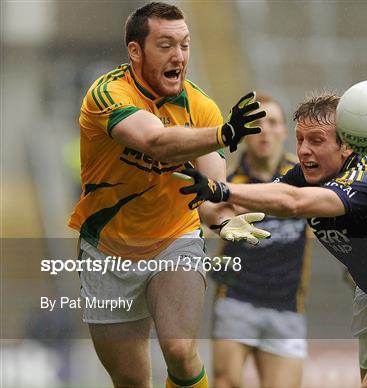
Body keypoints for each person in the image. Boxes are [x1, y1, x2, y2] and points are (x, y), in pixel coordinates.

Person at [178, 92, 367, 387]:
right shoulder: (304, 176)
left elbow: (293, 203)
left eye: (316, 141)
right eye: (300, 140)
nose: (304, 151)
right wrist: (196, 182)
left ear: (345, 145)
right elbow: (250, 202)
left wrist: (221, 189)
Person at [68, 3, 270, 388]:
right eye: (165, 45)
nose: (179, 56)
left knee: (178, 349)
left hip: (174, 240)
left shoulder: (201, 107)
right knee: (130, 379)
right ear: (135, 51)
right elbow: (154, 140)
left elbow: (210, 190)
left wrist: (222, 219)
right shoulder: (107, 94)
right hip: (106, 248)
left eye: (185, 44)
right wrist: (224, 134)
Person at [211, 92, 311, 388]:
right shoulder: (227, 183)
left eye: (273, 122)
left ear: (284, 132)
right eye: (256, 124)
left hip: (287, 305)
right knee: (225, 382)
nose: (265, 130)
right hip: (236, 299)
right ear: (244, 135)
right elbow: (208, 220)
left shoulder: (306, 179)